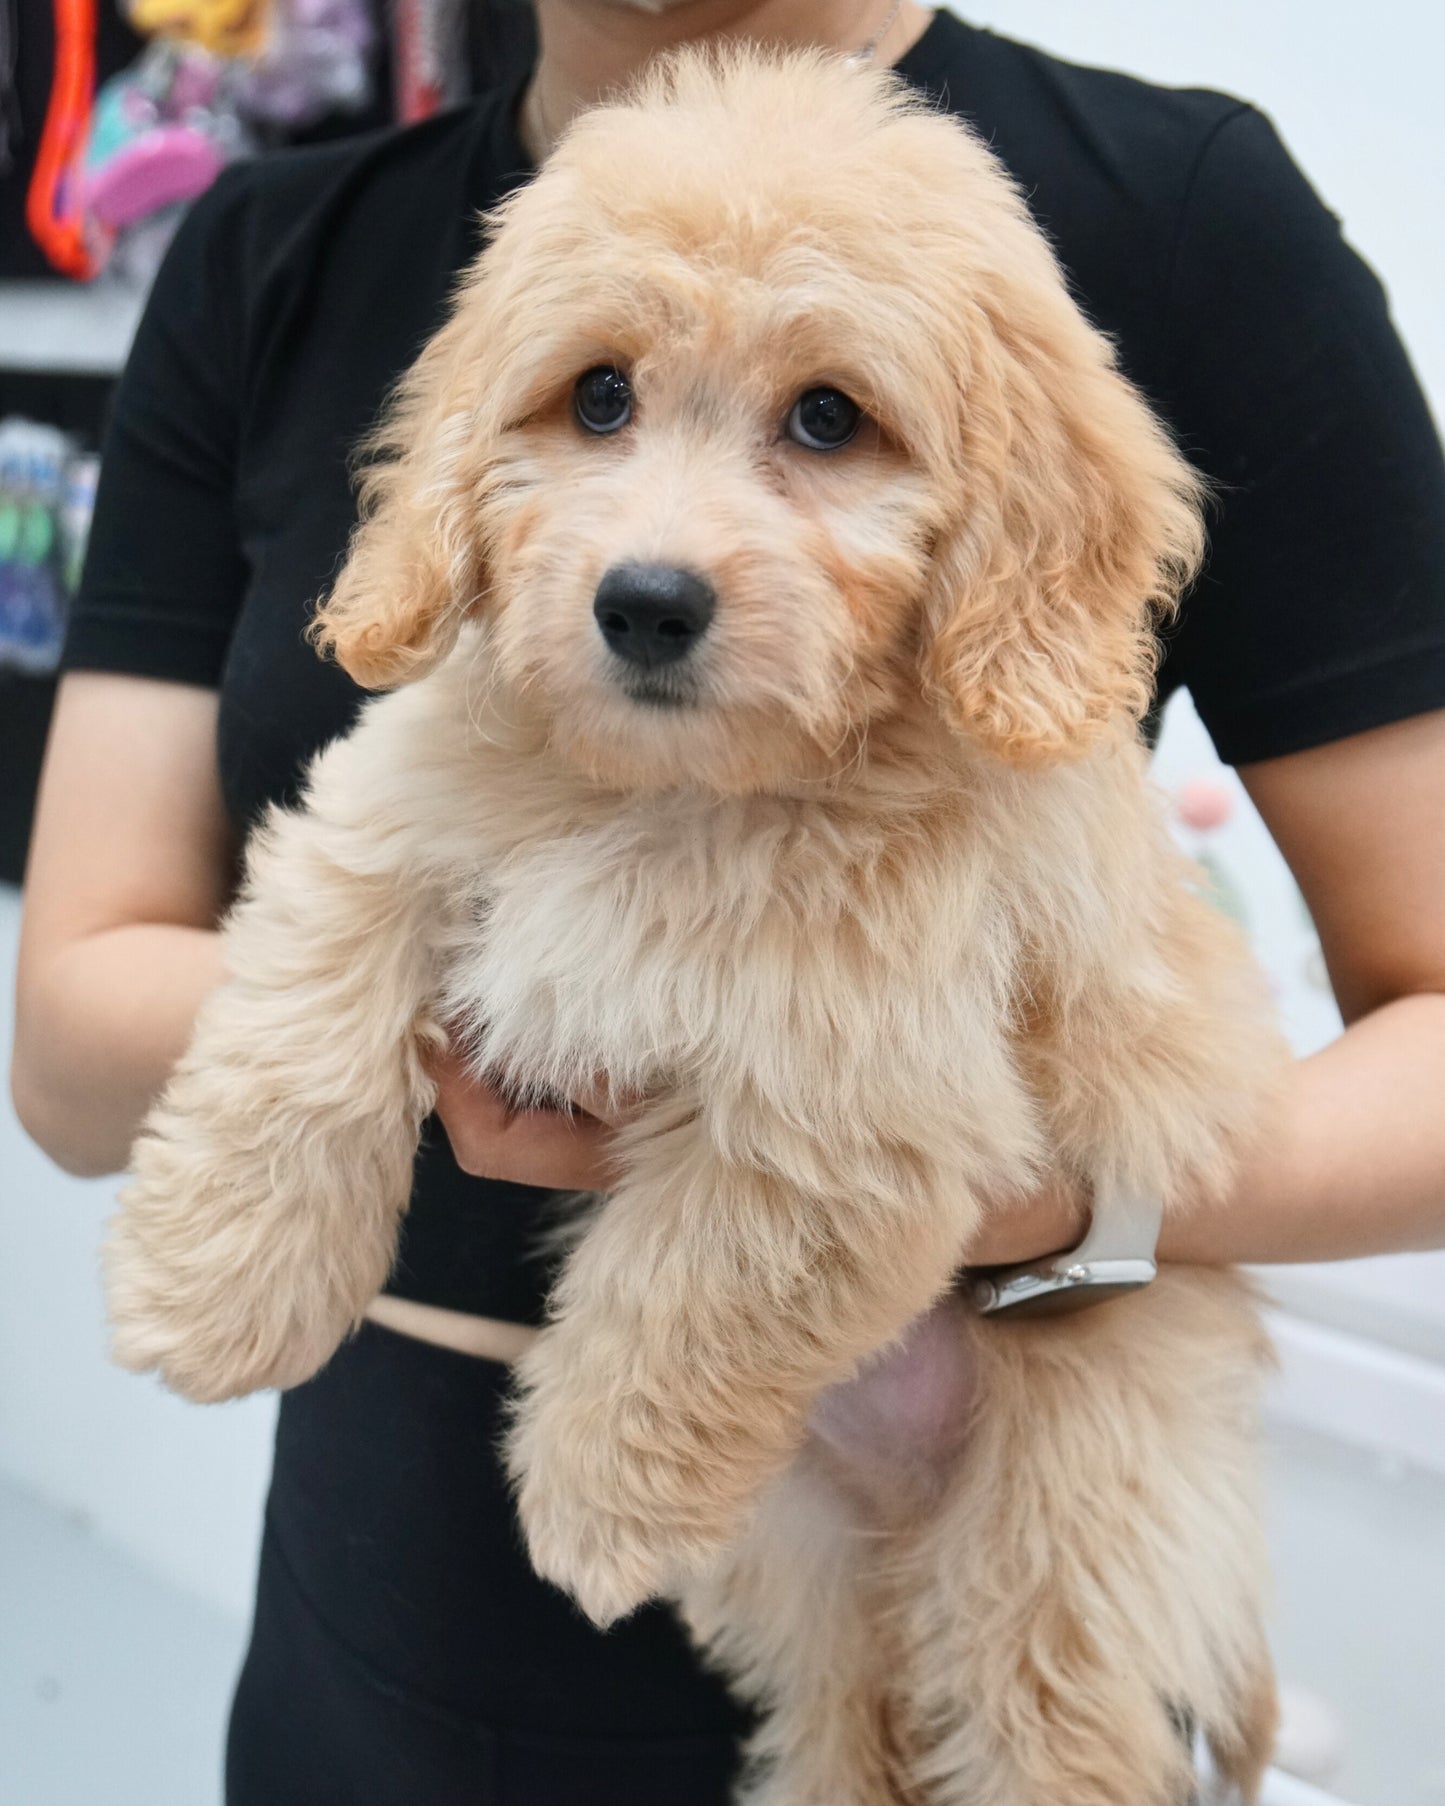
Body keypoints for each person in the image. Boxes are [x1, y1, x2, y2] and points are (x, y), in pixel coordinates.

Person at [11, 2, 1445, 1801]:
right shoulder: (265, 248)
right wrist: (380, 1059)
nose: (656, 553)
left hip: (1032, 1410)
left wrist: (1048, 1199)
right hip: (374, 1597)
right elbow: (79, 1044)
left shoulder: (1174, 212)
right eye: (593, 401)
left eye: (824, 418)